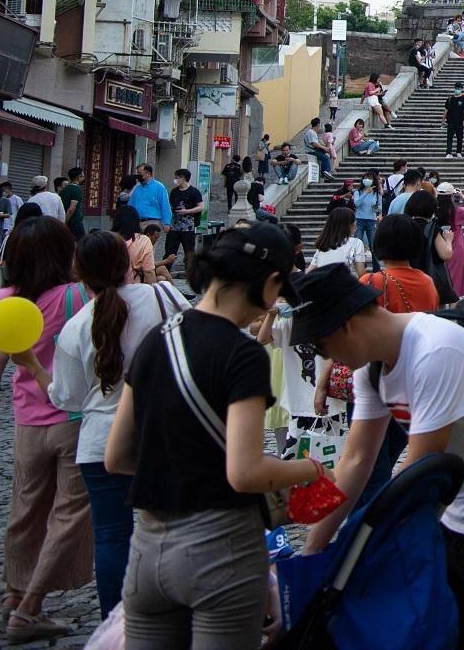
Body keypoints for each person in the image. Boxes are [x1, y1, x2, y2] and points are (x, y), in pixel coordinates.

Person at [293, 263, 464, 650]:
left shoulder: (436, 351)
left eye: (321, 346)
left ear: (345, 327)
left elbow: (417, 469)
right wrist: (312, 554)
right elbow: (356, 460)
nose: (328, 360)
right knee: (450, 630)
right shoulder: (374, 370)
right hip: (453, 512)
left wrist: (353, 551)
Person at [104, 222, 326, 647]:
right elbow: (245, 473)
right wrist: (309, 468)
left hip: (149, 548)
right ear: (271, 282)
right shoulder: (243, 354)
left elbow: (116, 456)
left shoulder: (156, 339)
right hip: (219, 549)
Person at [30, 231, 187, 617]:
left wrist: (31, 365)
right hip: (164, 435)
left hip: (100, 441)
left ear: (78, 272)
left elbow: (66, 398)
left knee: (112, 538)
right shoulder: (163, 298)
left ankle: (115, 627)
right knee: (176, 527)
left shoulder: (78, 326)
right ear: (128, 261)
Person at [0, 218, 93, 640]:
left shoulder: (2, 299)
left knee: (25, 510)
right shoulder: (76, 295)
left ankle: (12, 593)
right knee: (69, 513)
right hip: (70, 418)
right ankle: (31, 606)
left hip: (26, 420)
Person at [313, 207, 371, 276]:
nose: (356, 222)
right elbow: (361, 274)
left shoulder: (323, 244)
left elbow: (310, 271)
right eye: (354, 220)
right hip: (346, 285)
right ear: (349, 224)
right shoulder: (356, 243)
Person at [444, 84, 464, 158]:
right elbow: (446, 110)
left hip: (460, 121)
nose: (457, 90)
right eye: (456, 88)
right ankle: (448, 153)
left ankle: (458, 152)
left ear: (461, 89)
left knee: (459, 137)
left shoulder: (463, 99)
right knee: (449, 138)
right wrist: (443, 120)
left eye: (458, 88)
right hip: (450, 121)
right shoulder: (450, 99)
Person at [59, 167, 84, 240]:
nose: (83, 178)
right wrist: (64, 222)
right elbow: (71, 209)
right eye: (82, 176)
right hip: (75, 222)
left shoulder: (64, 190)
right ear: (78, 177)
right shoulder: (76, 190)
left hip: (67, 221)